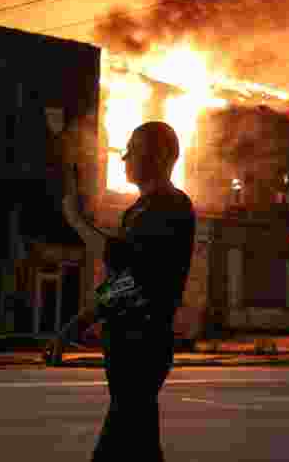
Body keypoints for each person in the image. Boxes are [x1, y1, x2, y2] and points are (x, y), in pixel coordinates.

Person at [54, 121, 195, 462]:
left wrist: (75, 220)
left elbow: (128, 272)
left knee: (119, 443)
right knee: (141, 446)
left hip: (140, 345)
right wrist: (80, 322)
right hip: (131, 347)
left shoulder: (168, 206)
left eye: (132, 148)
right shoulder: (144, 209)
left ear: (159, 155)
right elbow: (125, 279)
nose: (124, 158)